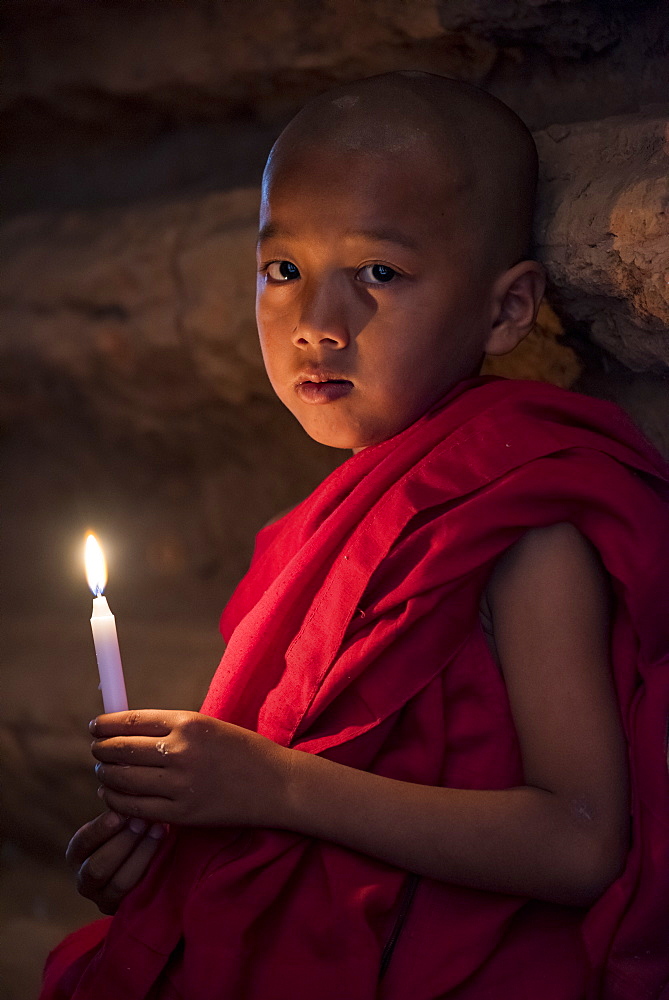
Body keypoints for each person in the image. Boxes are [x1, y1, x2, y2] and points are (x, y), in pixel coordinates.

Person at [42, 72, 669, 1000]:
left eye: (378, 273)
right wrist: (176, 854)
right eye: (283, 272)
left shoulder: (522, 518)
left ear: (506, 309)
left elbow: (579, 841)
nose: (317, 328)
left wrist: (272, 789)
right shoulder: (331, 521)